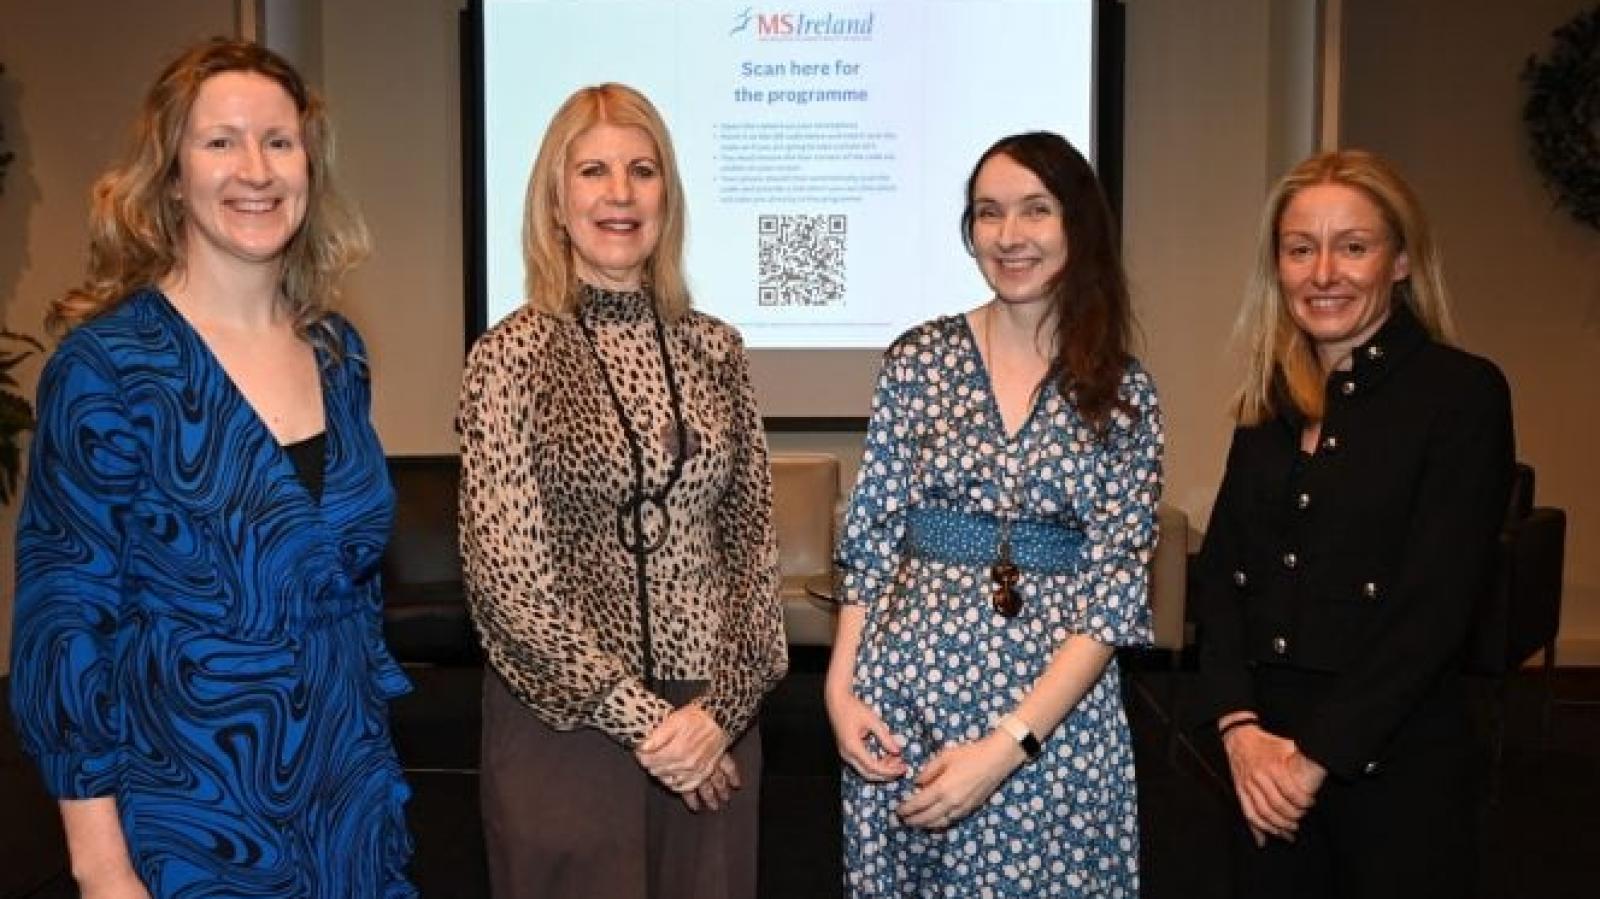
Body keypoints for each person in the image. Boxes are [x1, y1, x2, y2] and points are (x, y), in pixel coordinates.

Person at [8, 38, 414, 898]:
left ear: (308, 164)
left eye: (278, 140)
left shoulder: (339, 355)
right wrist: (101, 867)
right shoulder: (106, 369)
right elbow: (63, 627)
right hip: (188, 823)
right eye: (220, 141)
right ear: (172, 173)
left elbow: (351, 592)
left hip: (348, 813)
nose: (255, 170)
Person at [457, 82, 787, 899]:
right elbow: (506, 582)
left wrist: (718, 715)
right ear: (556, 200)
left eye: (642, 170)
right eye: (594, 170)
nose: (619, 193)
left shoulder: (717, 349)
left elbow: (753, 549)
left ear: (666, 196)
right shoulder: (510, 356)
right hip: (565, 720)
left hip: (712, 720)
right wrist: (646, 723)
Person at [826, 131, 1163, 898]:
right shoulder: (917, 360)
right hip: (902, 703)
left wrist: (1008, 744)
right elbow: (872, 536)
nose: (1009, 236)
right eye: (988, 214)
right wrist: (840, 689)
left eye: (1034, 211)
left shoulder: (1124, 392)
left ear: (1077, 223)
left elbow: (1112, 598)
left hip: (1052, 728)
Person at [1192, 149, 1515, 898]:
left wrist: (1313, 760)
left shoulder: (1462, 395)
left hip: (1396, 767)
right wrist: (1240, 733)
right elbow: (1222, 580)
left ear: (1400, 261)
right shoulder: (1267, 402)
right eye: (1300, 249)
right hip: (1263, 768)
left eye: (1354, 246)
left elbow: (1433, 611)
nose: (1323, 272)